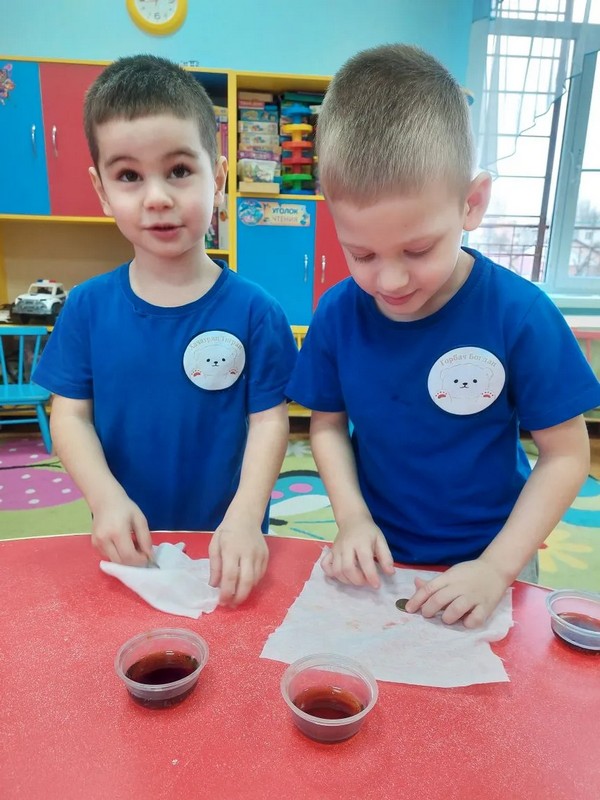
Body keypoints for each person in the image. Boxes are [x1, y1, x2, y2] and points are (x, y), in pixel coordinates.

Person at [286, 44, 600, 628]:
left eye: (418, 249)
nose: (391, 280)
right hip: (380, 558)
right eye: (362, 254)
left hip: (494, 560)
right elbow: (325, 425)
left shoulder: (519, 314)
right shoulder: (338, 313)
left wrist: (497, 568)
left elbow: (565, 455)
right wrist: (352, 519)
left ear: (471, 204)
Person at [34, 55, 298, 606]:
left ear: (217, 178)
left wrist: (246, 516)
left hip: (230, 546)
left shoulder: (258, 312)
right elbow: (70, 416)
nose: (156, 197)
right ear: (102, 191)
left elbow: (270, 420)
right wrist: (105, 500)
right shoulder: (86, 308)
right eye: (129, 176)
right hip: (131, 544)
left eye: (178, 170)